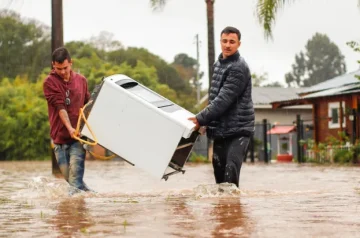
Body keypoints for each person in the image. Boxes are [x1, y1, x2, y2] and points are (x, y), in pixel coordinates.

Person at [189, 26, 254, 188]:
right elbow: (214, 96)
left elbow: (223, 99)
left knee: (230, 175)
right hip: (220, 130)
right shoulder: (218, 64)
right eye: (224, 41)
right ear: (220, 42)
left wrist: (200, 118)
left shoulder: (239, 68)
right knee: (219, 177)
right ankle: (223, 212)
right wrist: (205, 123)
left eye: (232, 42)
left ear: (239, 44)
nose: (227, 45)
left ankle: (234, 212)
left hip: (239, 130)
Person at [43, 47, 93, 194]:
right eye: (59, 69)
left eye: (65, 68)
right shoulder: (49, 82)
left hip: (77, 138)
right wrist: (69, 128)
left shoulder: (81, 80)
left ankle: (75, 215)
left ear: (71, 63)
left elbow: (88, 105)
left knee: (75, 183)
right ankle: (95, 198)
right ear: (53, 65)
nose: (63, 72)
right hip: (59, 139)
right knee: (71, 182)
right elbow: (60, 107)